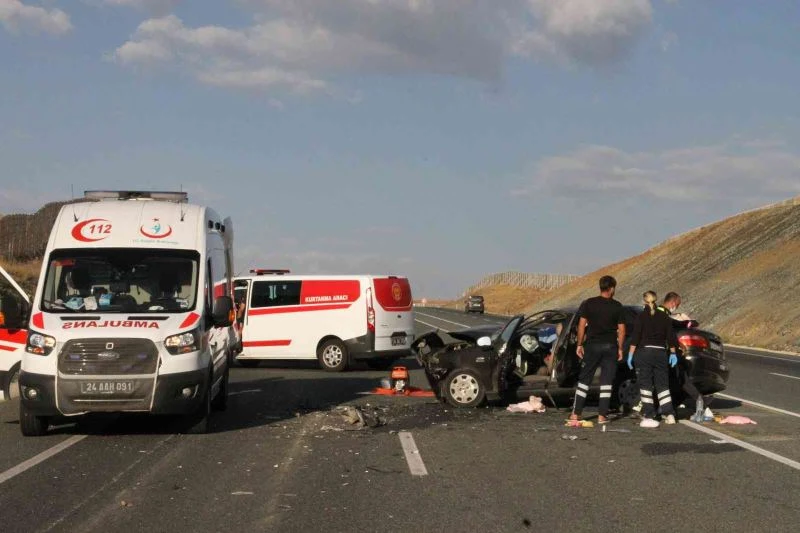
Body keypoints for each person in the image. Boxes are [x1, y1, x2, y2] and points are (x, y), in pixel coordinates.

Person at [570, 275, 626, 425]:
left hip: (592, 346)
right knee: (606, 382)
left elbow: (581, 326)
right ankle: (602, 416)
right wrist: (620, 348)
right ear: (612, 288)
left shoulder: (589, 303)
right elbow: (621, 331)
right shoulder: (617, 306)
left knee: (585, 379)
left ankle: (576, 414)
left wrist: (579, 344)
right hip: (610, 347)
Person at [627, 291, 679, 428]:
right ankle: (669, 414)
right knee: (663, 385)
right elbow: (671, 338)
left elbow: (635, 337)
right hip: (661, 353)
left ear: (644, 302)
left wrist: (630, 355)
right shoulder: (664, 317)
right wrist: (673, 353)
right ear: (656, 300)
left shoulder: (641, 316)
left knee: (646, 386)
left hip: (644, 353)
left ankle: (649, 414)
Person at [660, 292, 713, 422]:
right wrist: (686, 325)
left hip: (665, 352)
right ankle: (699, 403)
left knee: (677, 380)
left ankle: (669, 408)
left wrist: (686, 324)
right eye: (677, 305)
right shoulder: (661, 313)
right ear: (672, 302)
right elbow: (670, 326)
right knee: (678, 380)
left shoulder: (662, 313)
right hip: (663, 353)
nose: (676, 308)